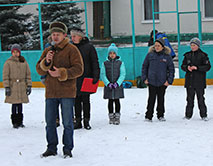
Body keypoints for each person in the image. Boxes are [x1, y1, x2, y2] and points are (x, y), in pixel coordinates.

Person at [36, 21, 84, 158]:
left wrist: (62, 73)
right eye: (53, 34)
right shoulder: (47, 50)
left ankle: (67, 149)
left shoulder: (72, 49)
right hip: (51, 92)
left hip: (67, 92)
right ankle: (51, 148)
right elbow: (39, 69)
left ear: (64, 35)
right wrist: (46, 62)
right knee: (50, 122)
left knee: (68, 122)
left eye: (58, 34)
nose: (55, 37)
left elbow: (79, 69)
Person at [70, 27, 100, 130]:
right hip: (74, 78)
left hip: (86, 77)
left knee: (86, 100)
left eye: (74, 36)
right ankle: (77, 120)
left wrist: (96, 75)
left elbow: (94, 62)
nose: (72, 38)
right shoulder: (71, 47)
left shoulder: (89, 47)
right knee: (76, 101)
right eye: (72, 36)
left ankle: (86, 120)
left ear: (80, 37)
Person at [142, 38, 175, 122]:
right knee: (151, 99)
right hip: (151, 81)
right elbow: (144, 67)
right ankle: (148, 116)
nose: (156, 47)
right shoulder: (150, 55)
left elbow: (171, 69)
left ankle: (160, 115)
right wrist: (144, 78)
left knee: (161, 99)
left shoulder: (167, 56)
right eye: (155, 45)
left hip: (162, 82)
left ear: (162, 47)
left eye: (158, 46)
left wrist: (169, 81)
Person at [181, 37, 211, 121]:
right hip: (189, 81)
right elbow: (182, 66)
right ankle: (188, 115)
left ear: (198, 46)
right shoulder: (187, 55)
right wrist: (187, 68)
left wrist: (197, 68)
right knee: (189, 99)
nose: (192, 47)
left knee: (201, 98)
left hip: (199, 81)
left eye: (194, 45)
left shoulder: (203, 55)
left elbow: (207, 67)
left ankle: (203, 115)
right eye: (191, 45)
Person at [3, 44, 32, 128]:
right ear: (11, 53)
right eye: (14, 52)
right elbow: (5, 76)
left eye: (17, 52)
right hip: (13, 87)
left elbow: (28, 74)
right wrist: (7, 87)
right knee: (14, 104)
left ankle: (20, 121)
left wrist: (29, 85)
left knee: (20, 104)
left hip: (22, 86)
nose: (15, 54)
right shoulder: (8, 63)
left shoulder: (23, 62)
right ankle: (14, 122)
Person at [101, 43, 126, 125]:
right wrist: (108, 83)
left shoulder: (120, 63)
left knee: (117, 100)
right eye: (110, 53)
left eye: (114, 53)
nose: (112, 55)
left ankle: (117, 116)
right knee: (110, 101)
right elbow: (103, 74)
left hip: (117, 86)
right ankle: (111, 116)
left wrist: (117, 83)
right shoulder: (105, 63)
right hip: (109, 86)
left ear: (116, 54)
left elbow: (122, 74)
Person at [42, 35, 60, 128]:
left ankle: (68, 118)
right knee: (52, 101)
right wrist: (43, 77)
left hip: (61, 77)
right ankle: (55, 118)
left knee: (65, 100)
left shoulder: (65, 48)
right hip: (50, 78)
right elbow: (43, 62)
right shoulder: (47, 47)